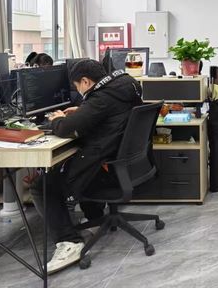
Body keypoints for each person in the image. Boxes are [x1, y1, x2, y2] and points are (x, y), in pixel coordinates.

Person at [30, 59, 143, 274]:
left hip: (104, 169)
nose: (79, 92)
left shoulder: (101, 98)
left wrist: (58, 118)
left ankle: (69, 242)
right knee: (76, 164)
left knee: (42, 186)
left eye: (78, 87)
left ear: (85, 81)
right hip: (122, 165)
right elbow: (105, 112)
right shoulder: (125, 83)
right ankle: (95, 219)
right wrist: (84, 110)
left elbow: (65, 128)